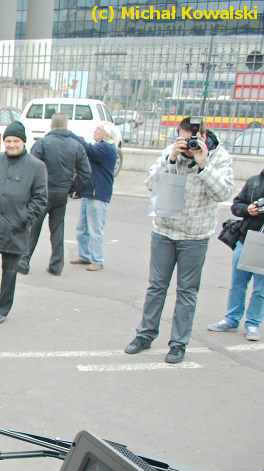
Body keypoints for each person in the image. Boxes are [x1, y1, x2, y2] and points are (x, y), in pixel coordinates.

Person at [126, 117, 235, 363]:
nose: (188, 143)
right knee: (156, 287)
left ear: (204, 136)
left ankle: (178, 344)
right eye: (183, 138)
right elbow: (150, 184)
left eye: (192, 138)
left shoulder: (220, 157)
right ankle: (145, 335)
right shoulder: (170, 151)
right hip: (165, 231)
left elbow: (224, 193)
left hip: (195, 235)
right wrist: (171, 159)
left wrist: (204, 165)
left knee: (187, 292)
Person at [0, 120, 48, 324]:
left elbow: (40, 198)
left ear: (23, 142)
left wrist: (24, 217)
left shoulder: (36, 166)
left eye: (16, 141)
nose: (12, 145)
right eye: (8, 141)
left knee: (10, 272)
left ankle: (2, 309)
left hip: (15, 228)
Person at [21, 112, 91, 276]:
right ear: (67, 126)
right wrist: (72, 188)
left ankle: (23, 262)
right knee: (58, 229)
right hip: (61, 192)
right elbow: (85, 172)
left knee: (32, 228)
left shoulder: (43, 143)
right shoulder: (76, 145)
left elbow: (30, 166)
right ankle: (56, 266)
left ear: (51, 126)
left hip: (42, 193)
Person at [206, 167, 264, 342]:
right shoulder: (254, 182)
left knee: (260, 289)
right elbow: (236, 206)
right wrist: (248, 209)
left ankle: (253, 323)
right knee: (237, 284)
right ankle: (232, 319)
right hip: (245, 240)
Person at [69, 121, 119, 271]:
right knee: (82, 227)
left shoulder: (106, 147)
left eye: (99, 129)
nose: (95, 131)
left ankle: (97, 260)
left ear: (107, 134)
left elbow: (88, 149)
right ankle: (85, 256)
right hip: (89, 192)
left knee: (95, 229)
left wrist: (70, 134)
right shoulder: (102, 146)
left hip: (98, 193)